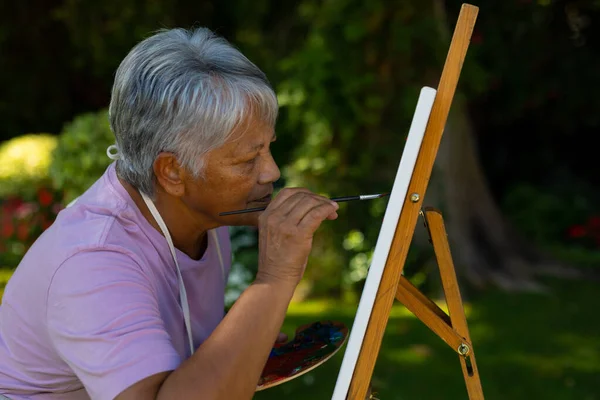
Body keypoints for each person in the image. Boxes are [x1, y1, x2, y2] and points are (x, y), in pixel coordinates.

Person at [0, 27, 339, 400]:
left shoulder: (203, 216)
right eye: (247, 159)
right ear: (172, 172)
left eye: (268, 148)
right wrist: (275, 278)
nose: (271, 172)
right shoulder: (93, 262)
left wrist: (246, 338)